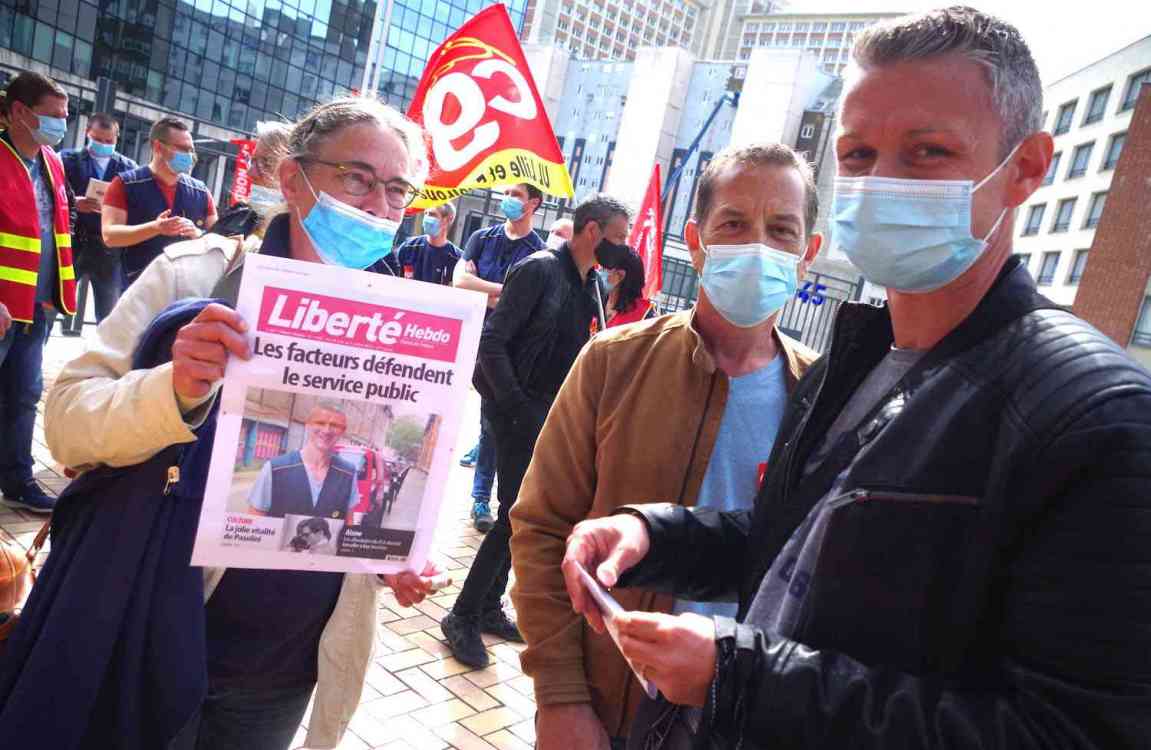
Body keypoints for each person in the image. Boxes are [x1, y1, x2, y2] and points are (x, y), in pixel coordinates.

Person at [562, 7, 1151, 749]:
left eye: (928, 152)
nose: (882, 183)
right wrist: (652, 534)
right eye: (860, 153)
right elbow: (794, 544)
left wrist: (742, 679)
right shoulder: (859, 360)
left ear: (1026, 168)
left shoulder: (1096, 418)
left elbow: (1073, 733)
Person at [42, 96, 444, 750]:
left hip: (280, 673)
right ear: (293, 178)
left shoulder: (405, 325)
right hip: (148, 635)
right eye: (357, 178)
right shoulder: (197, 275)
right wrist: (172, 388)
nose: (378, 206)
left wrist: (392, 553)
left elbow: (363, 501)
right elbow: (66, 421)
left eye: (398, 190)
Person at [510, 144, 821, 749]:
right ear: (696, 240)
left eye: (781, 230)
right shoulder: (614, 361)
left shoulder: (822, 397)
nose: (757, 246)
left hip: (744, 715)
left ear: (808, 254)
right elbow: (542, 527)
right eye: (734, 224)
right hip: (610, 706)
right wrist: (561, 696)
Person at [441, 194, 630, 669]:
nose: (623, 249)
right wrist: (518, 407)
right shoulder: (539, 270)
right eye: (618, 238)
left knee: (525, 516)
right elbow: (493, 342)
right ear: (592, 231)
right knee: (514, 516)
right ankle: (461, 615)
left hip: (549, 416)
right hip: (516, 413)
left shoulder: (588, 283)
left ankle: (487, 607)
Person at [0, 71, 77, 514]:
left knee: (24, 396)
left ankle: (17, 481)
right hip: (3, 304)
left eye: (65, 117)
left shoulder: (51, 161)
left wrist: (53, 292)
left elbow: (57, 226)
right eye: (52, 116)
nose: (60, 125)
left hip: (35, 306)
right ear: (18, 112)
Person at [453, 183, 546, 530]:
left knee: (491, 425)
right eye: (506, 193)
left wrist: (485, 289)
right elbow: (459, 280)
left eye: (516, 195)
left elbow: (527, 304)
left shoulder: (538, 253)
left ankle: (481, 499)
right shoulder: (482, 238)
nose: (508, 200)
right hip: (469, 336)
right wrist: (505, 291)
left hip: (504, 350)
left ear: (533, 203)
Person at [101, 115, 218, 290]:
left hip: (186, 287)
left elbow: (219, 239)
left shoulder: (201, 191)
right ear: (158, 147)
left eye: (191, 150)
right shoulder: (125, 184)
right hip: (137, 285)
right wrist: (155, 228)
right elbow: (110, 235)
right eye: (182, 149)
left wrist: (197, 233)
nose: (189, 156)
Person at [60, 112, 138, 328]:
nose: (103, 145)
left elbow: (137, 205)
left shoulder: (128, 168)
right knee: (53, 302)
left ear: (117, 138)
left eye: (109, 141)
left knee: (109, 314)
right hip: (72, 241)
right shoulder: (66, 160)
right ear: (87, 133)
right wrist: (73, 202)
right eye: (98, 139)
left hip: (108, 248)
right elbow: (50, 194)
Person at [246, 403, 358, 520]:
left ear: (343, 431)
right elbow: (254, 521)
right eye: (320, 423)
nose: (326, 430)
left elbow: (349, 523)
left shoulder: (348, 474)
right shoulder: (274, 469)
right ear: (308, 425)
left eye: (335, 425)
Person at [210, 121, 292, 239]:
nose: (250, 173)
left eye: (267, 163)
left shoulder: (301, 236)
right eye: (252, 161)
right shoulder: (238, 215)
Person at [393, 202, 461, 285]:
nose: (427, 218)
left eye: (432, 214)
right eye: (425, 214)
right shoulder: (408, 247)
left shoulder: (457, 259)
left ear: (448, 220)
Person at [601, 247, 655, 328]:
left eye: (605, 268)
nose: (600, 272)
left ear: (620, 275)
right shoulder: (596, 300)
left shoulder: (645, 316)